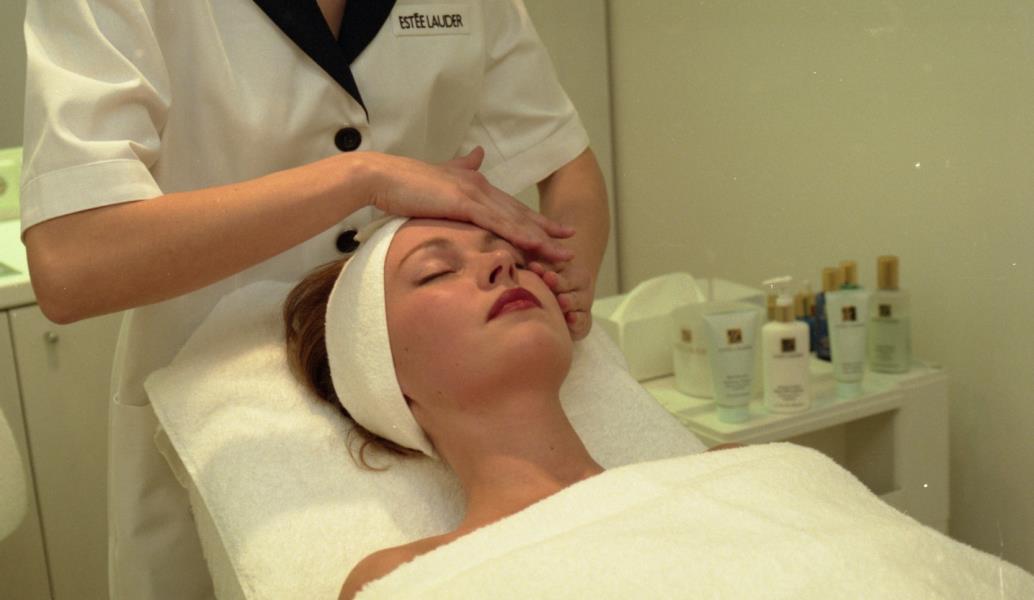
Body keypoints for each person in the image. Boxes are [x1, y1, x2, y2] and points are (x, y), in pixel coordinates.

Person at [20, 1, 609, 598]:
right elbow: (70, 262)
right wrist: (363, 178)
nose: (502, 265)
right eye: (436, 272)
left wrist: (561, 286)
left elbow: (561, 158)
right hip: (220, 402)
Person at [283, 216, 606, 598]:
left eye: (520, 261)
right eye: (436, 272)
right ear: (379, 375)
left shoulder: (675, 481)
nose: (502, 261)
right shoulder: (406, 579)